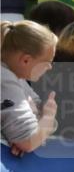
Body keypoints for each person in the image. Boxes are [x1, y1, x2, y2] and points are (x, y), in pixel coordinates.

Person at [1, 21, 58, 154]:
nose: (50, 67)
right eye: (48, 62)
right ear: (26, 60)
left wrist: (15, 137)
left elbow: (37, 108)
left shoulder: (15, 76)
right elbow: (29, 141)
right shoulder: (5, 78)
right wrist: (49, 117)